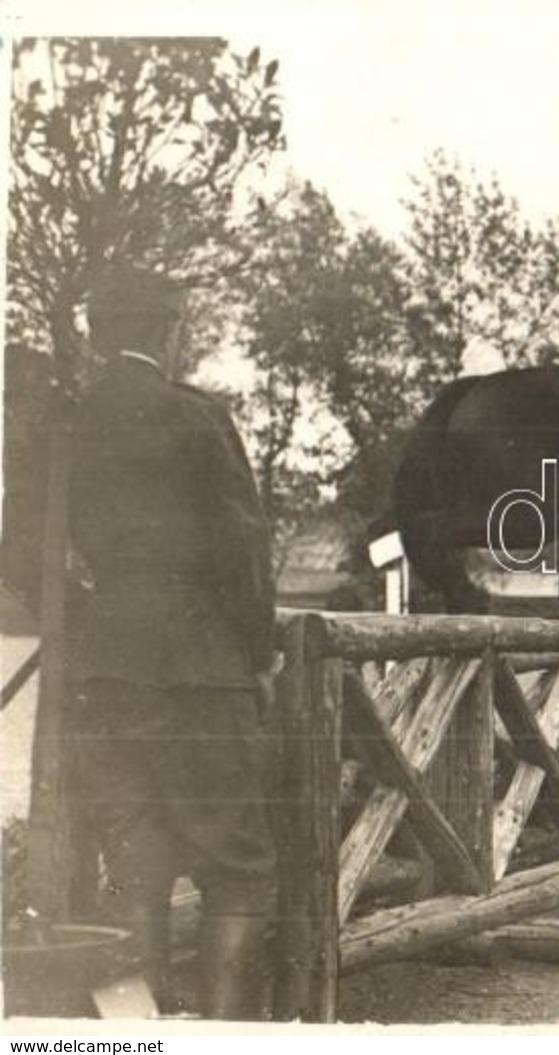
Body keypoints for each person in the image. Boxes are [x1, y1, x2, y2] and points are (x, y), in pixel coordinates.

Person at [66, 265, 280, 1019]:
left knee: (134, 863)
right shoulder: (195, 417)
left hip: (104, 669)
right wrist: (259, 653)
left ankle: (136, 1036)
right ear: (167, 330)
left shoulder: (65, 422)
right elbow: (242, 548)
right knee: (239, 869)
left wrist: (90, 614)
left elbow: (18, 544)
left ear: (97, 334)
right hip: (201, 669)